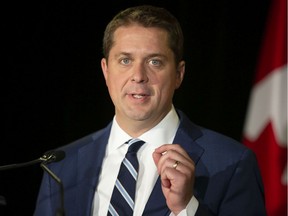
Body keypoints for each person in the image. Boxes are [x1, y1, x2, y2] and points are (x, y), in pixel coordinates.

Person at [33, 5, 267, 216]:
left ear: (178, 74)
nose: (138, 76)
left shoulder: (232, 162)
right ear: (105, 71)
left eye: (154, 62)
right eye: (125, 60)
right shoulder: (61, 166)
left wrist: (186, 209)